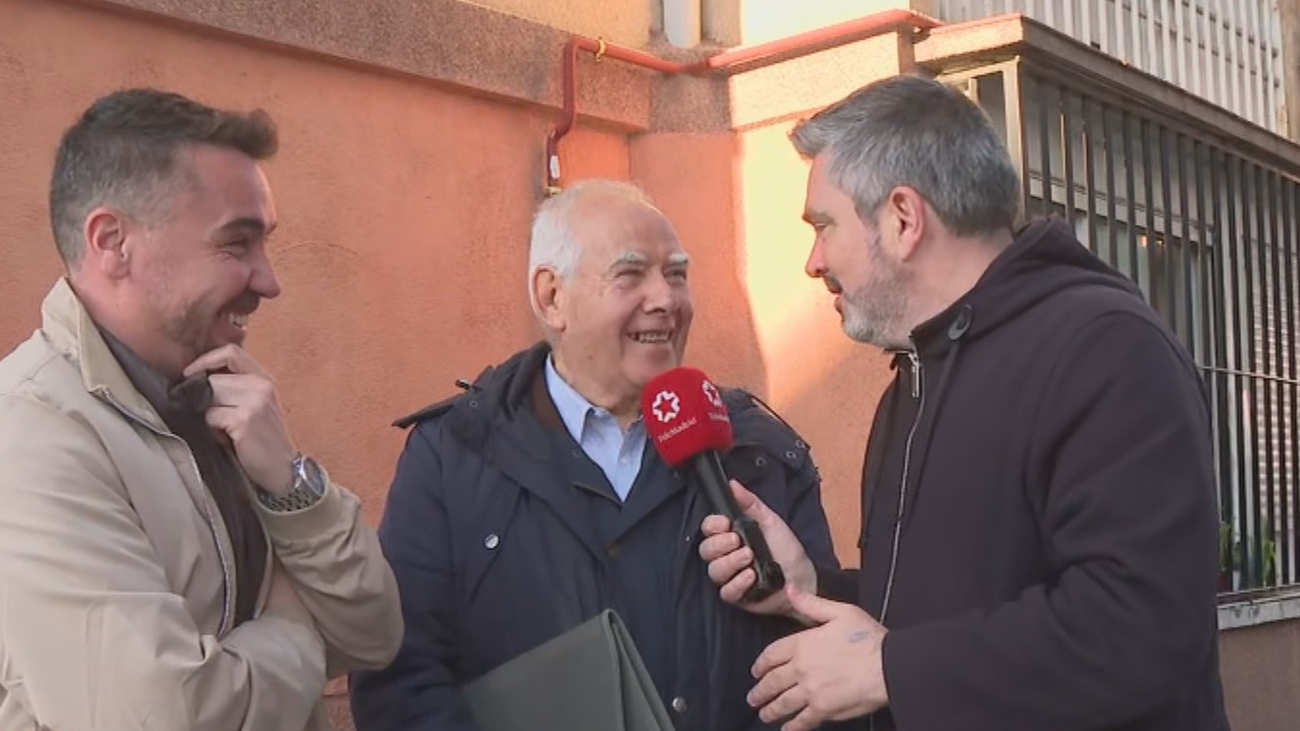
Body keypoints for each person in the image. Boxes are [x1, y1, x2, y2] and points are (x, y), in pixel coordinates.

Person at [698, 74, 1230, 731]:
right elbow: (944, 613)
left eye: (824, 225)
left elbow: (1140, 627)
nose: (813, 260)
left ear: (902, 219)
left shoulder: (1105, 350)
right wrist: (813, 585)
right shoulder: (913, 381)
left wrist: (888, 669)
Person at [348, 179, 841, 731]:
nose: (665, 300)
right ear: (551, 297)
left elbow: (828, 661)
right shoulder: (452, 456)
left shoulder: (758, 451)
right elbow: (401, 678)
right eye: (630, 275)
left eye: (677, 274)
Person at [0, 89, 403, 731]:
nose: (269, 280)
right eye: (236, 244)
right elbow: (168, 717)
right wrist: (299, 625)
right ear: (113, 242)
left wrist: (291, 488)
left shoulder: (227, 397)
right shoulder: (31, 433)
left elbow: (376, 635)